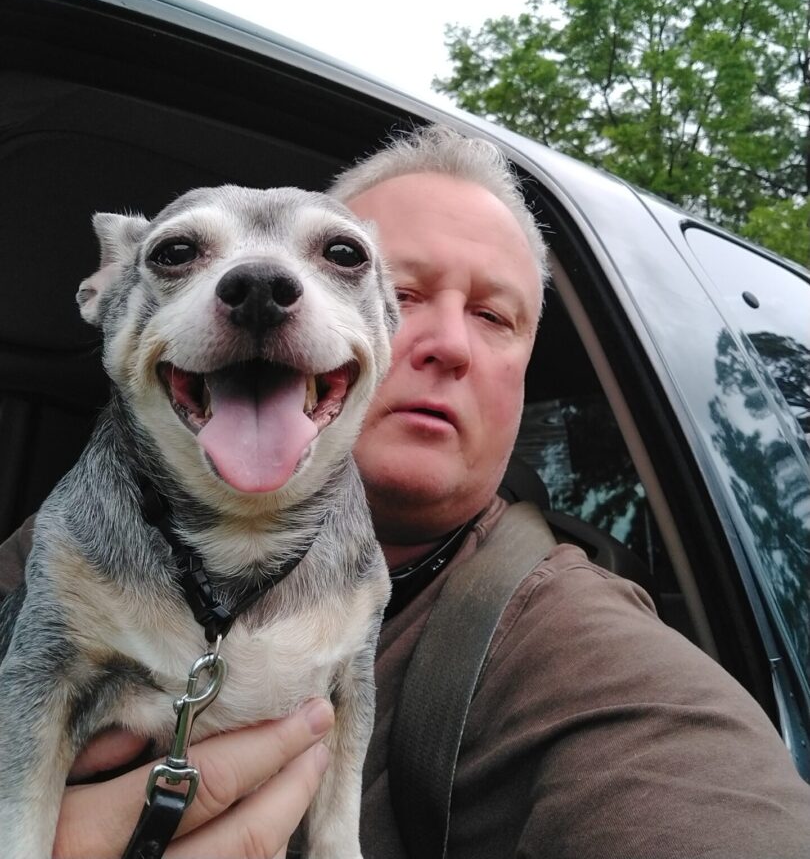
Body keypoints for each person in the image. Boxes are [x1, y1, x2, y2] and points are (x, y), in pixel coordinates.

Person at [1, 125, 809, 857]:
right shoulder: (64, 538)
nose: (448, 344)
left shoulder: (572, 648)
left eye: (495, 316)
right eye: (412, 293)